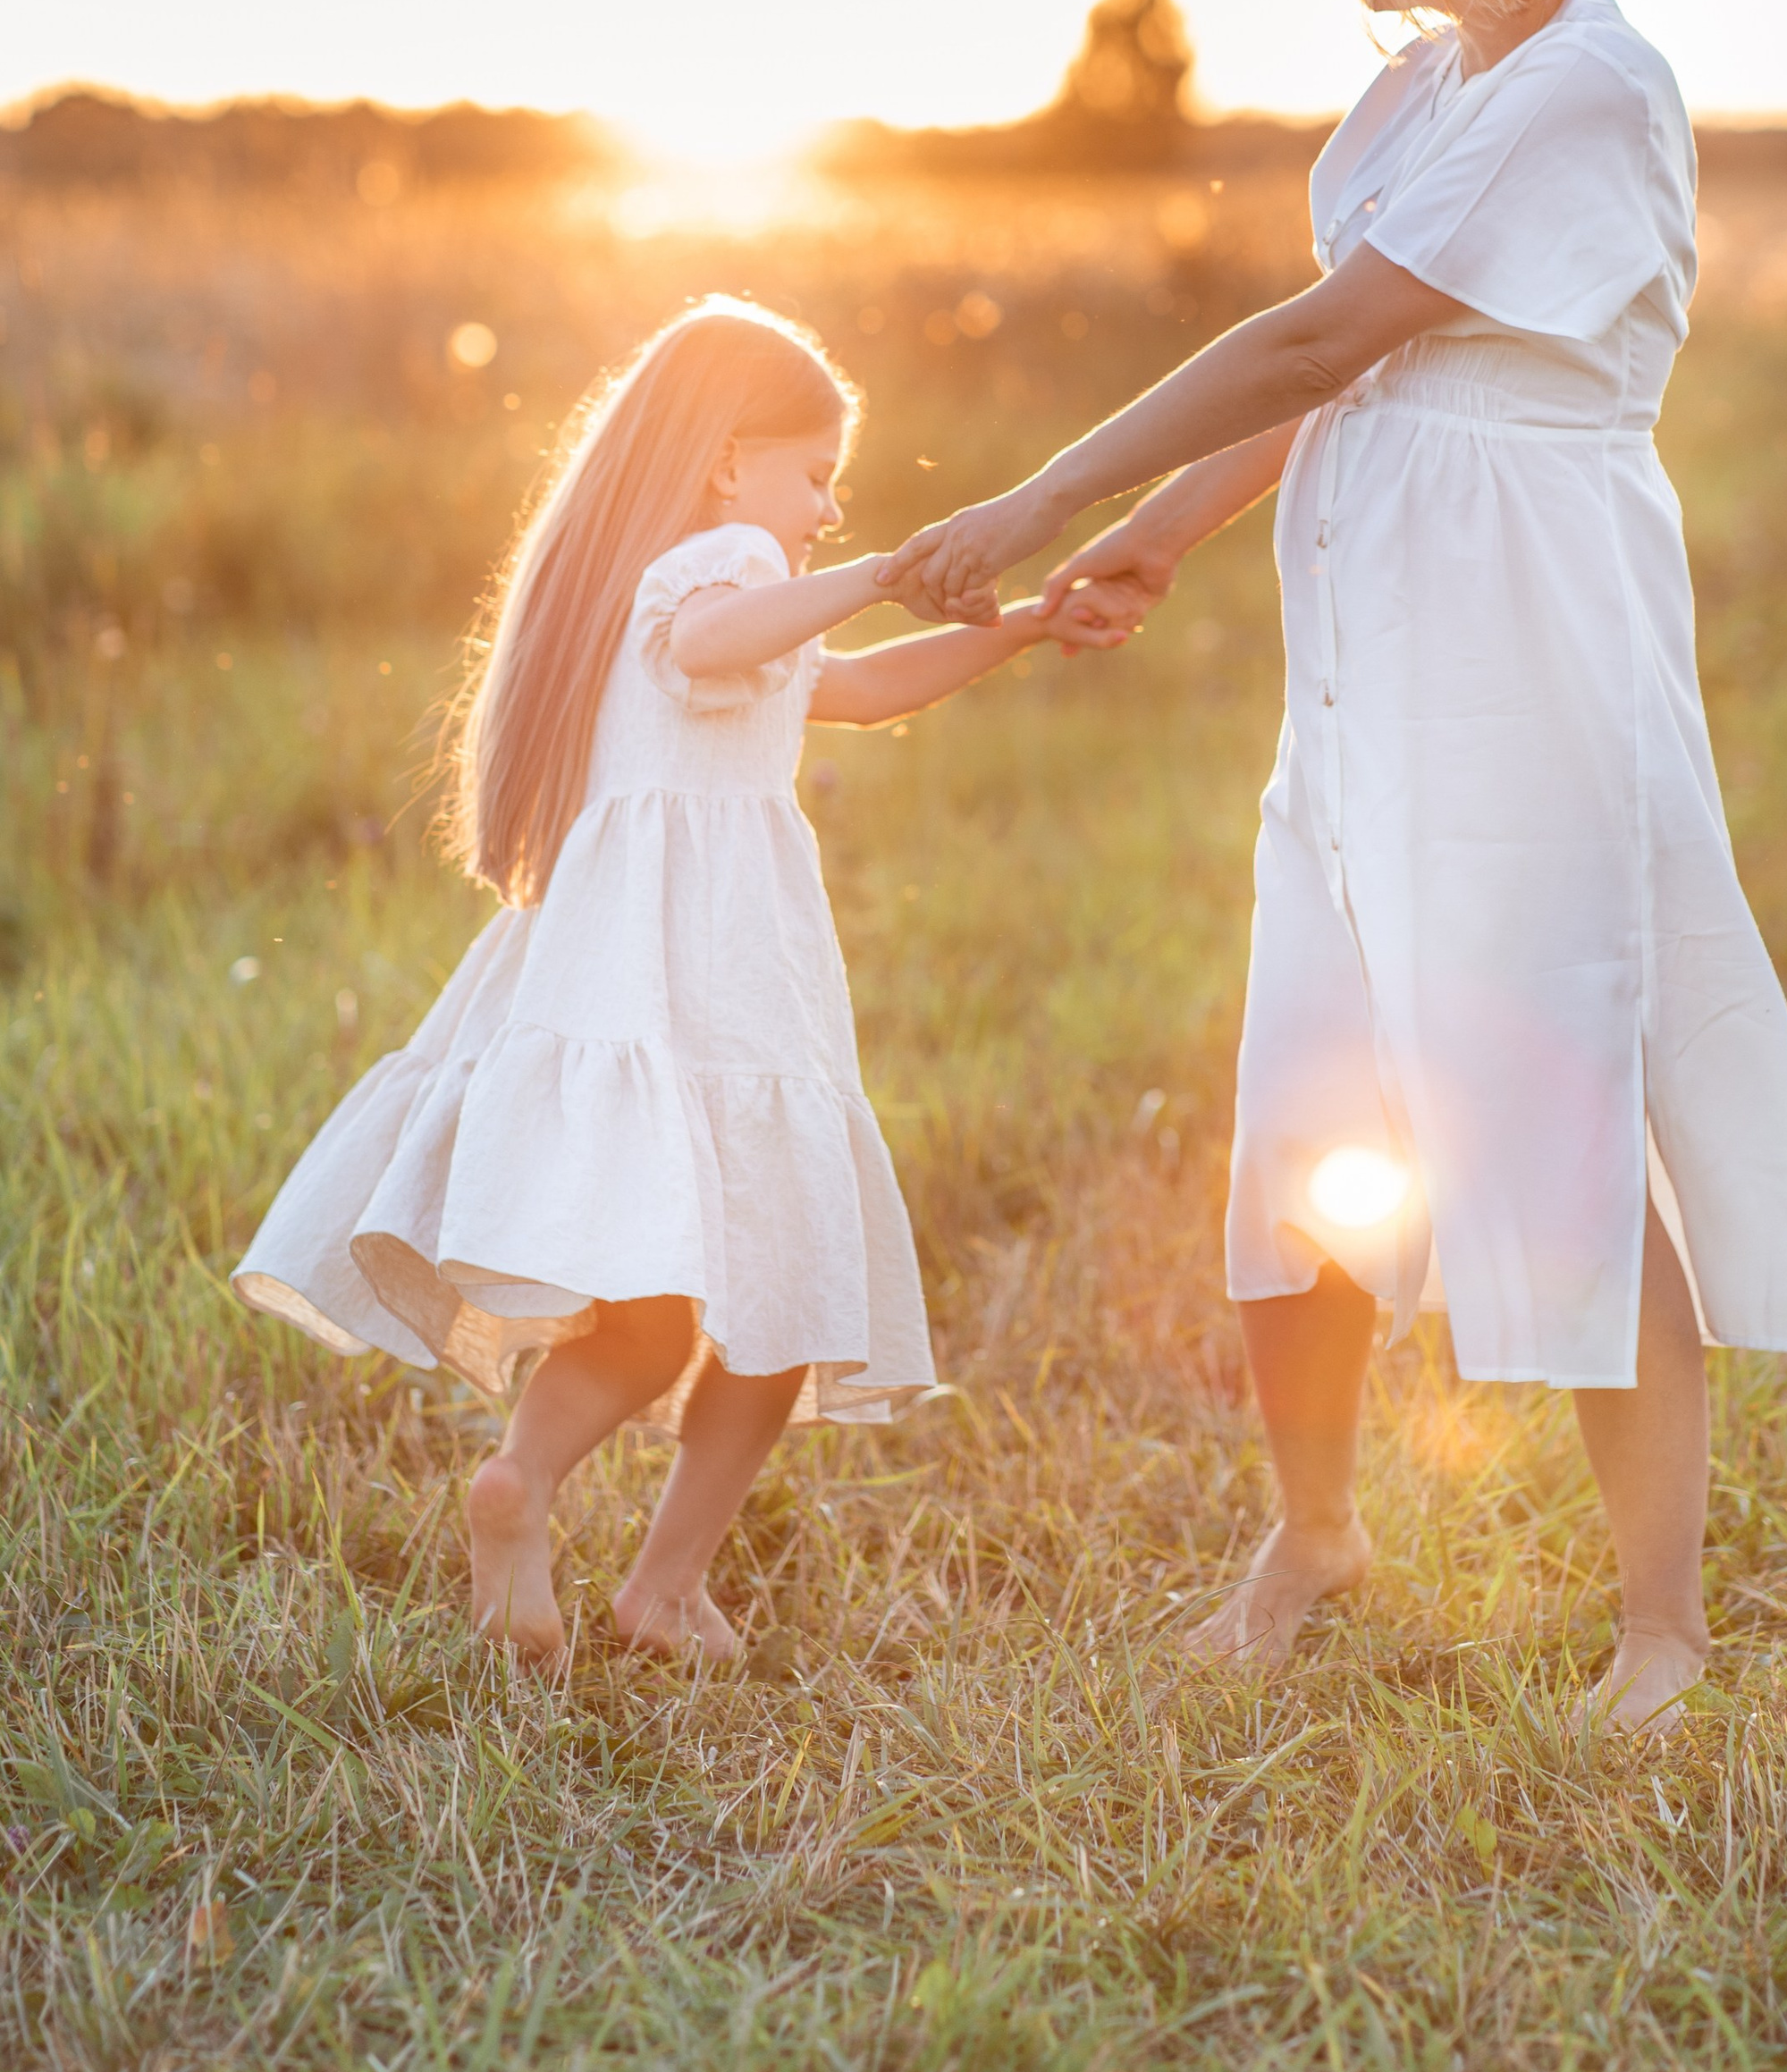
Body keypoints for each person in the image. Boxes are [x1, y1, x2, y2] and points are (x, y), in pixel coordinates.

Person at [885, 0, 1787, 1732]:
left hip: (1522, 642)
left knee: (1556, 1107)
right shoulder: (1420, 98)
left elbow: (1330, 329)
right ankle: (1313, 1530)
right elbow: (1336, 384)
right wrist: (1161, 534)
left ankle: (1656, 1627)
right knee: (1305, 1099)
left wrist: (1044, 491)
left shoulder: (1590, 87)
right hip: (1357, 658)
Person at [233, 296, 1126, 1664]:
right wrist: (882, 565)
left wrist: (1020, 631)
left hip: (627, 968)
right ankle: (664, 1583)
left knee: (653, 1328)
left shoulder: (698, 582)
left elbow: (869, 692)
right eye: (814, 475)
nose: (828, 508)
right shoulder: (708, 568)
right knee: (786, 1287)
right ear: (725, 461)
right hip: (709, 970)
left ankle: (522, 1479)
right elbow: (724, 640)